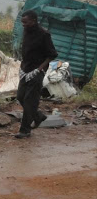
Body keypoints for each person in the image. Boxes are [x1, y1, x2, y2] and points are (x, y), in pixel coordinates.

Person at [15, 10, 58, 139]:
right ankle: (38, 116)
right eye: (22, 22)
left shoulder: (44, 34)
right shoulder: (27, 31)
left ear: (33, 21)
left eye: (25, 22)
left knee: (30, 100)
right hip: (25, 69)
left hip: (38, 70)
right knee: (20, 96)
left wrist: (38, 69)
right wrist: (22, 66)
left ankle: (25, 130)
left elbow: (52, 55)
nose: (23, 25)